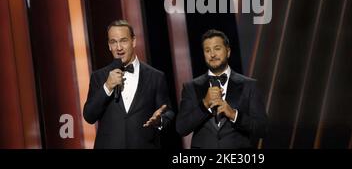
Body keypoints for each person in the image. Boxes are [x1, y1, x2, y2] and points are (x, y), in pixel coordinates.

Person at [83, 20, 174, 148]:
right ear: (109, 45)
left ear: (134, 41)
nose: (119, 47)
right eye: (113, 42)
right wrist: (107, 87)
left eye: (123, 40)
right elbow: (89, 116)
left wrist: (160, 121)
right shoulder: (98, 77)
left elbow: (168, 112)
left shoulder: (156, 77)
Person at [176, 29, 268, 148]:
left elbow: (262, 128)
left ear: (228, 51)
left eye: (217, 48)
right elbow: (181, 128)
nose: (212, 54)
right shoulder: (190, 87)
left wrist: (234, 115)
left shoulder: (249, 85)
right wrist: (204, 104)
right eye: (207, 50)